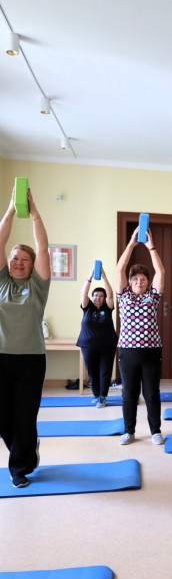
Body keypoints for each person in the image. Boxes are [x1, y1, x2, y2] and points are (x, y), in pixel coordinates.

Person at [0, 187, 51, 487]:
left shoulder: (38, 287)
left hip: (31, 360)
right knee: (3, 415)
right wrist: (9, 210)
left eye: (25, 259)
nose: (19, 262)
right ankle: (27, 450)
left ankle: (20, 468)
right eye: (15, 258)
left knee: (24, 417)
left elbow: (43, 249)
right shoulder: (2, 281)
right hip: (1, 358)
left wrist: (35, 214)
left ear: (33, 266)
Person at [115, 227, 165, 445]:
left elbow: (161, 273)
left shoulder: (152, 297)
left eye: (143, 279)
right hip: (128, 351)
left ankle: (155, 431)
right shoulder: (123, 296)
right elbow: (119, 270)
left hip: (152, 351)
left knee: (152, 393)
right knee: (129, 393)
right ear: (130, 282)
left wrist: (150, 247)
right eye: (135, 279)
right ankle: (129, 431)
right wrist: (132, 244)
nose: (139, 282)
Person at [76, 265, 118, 408]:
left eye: (101, 295)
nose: (98, 297)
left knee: (105, 371)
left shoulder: (108, 308)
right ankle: (96, 395)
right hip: (88, 345)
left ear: (104, 298)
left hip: (107, 345)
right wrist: (90, 276)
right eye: (95, 295)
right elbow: (83, 294)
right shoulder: (87, 307)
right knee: (92, 371)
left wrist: (104, 276)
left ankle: (103, 397)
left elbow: (111, 294)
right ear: (92, 297)